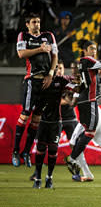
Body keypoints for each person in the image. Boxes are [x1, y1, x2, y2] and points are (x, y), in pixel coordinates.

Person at [12, 13, 58, 168]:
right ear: (27, 24)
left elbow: (55, 55)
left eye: (38, 22)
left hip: (46, 81)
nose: (37, 24)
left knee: (37, 119)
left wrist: (51, 74)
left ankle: (26, 152)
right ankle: (16, 151)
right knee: (25, 114)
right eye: (33, 22)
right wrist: (40, 49)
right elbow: (21, 54)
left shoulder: (49, 36)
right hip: (32, 80)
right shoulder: (23, 36)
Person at [63, 40, 101, 175]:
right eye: (91, 48)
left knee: (88, 132)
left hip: (86, 101)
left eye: (95, 49)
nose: (94, 51)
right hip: (89, 101)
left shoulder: (84, 63)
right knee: (90, 132)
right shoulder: (88, 60)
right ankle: (71, 158)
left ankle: (74, 160)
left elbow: (84, 84)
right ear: (85, 50)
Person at [32, 69, 77, 189]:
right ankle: (37, 178)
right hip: (43, 121)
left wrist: (76, 82)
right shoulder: (41, 80)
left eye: (60, 68)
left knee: (53, 150)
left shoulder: (61, 80)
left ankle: (49, 178)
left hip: (56, 122)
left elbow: (73, 82)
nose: (59, 71)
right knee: (40, 149)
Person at [0, 0, 20, 66]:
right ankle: (3, 58)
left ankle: (11, 59)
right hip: (3, 24)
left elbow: (18, 13)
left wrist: (16, 25)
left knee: (12, 43)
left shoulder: (16, 0)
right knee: (3, 42)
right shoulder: (1, 0)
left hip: (13, 25)